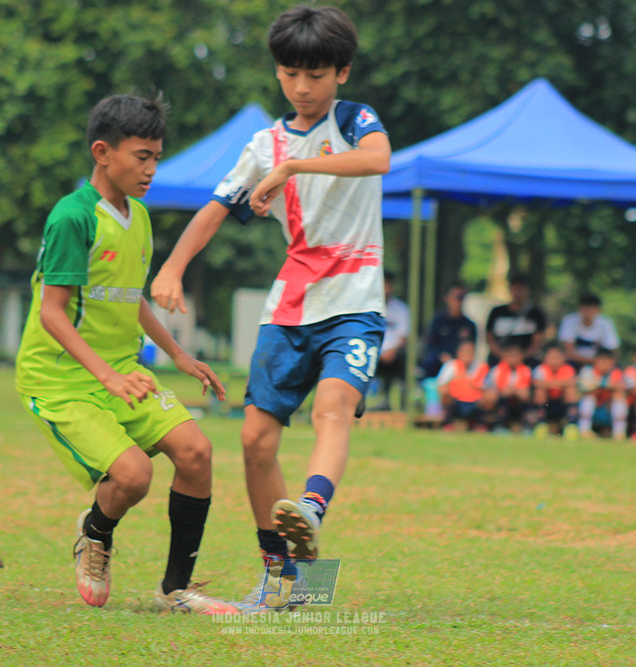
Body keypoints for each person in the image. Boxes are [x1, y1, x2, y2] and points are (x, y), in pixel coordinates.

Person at [150, 6, 391, 610]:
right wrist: (173, 266)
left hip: (355, 301)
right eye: (290, 74)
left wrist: (293, 166)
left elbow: (378, 159)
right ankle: (290, 578)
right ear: (278, 73)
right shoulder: (262, 145)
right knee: (256, 441)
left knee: (333, 407)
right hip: (290, 305)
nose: (302, 88)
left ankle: (310, 508)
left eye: (315, 75)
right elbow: (214, 208)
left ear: (342, 72)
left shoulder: (357, 120)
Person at [14, 91, 236, 614]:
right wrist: (108, 378)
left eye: (157, 156)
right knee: (134, 475)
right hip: (63, 380)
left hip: (121, 371)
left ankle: (176, 589)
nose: (152, 168)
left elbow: (127, 294)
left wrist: (178, 354)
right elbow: (52, 312)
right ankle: (95, 533)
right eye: (143, 156)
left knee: (197, 453)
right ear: (102, 152)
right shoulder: (73, 218)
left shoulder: (138, 216)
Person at [484, 274, 547, 366]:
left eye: (521, 289)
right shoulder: (497, 312)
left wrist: (521, 357)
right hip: (499, 359)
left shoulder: (535, 314)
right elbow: (489, 338)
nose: (518, 292)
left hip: (526, 360)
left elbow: (537, 341)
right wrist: (504, 356)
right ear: (510, 289)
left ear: (528, 290)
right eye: (515, 288)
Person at [421, 282, 478, 378]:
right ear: (447, 298)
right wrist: (442, 356)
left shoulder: (469, 325)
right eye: (456, 297)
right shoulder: (438, 321)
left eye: (461, 297)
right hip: (438, 363)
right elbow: (430, 344)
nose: (458, 301)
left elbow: (470, 348)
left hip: (461, 364)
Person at [372, 270, 410, 411]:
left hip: (394, 354)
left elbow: (404, 335)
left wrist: (391, 351)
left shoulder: (401, 309)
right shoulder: (368, 308)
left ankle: (402, 403)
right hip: (372, 351)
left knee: (405, 360)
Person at [558, 293, 620, 371]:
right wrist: (588, 361)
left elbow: (612, 350)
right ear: (579, 309)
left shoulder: (606, 323)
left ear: (598, 310)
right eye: (585, 309)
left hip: (600, 363)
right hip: (575, 361)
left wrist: (601, 363)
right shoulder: (569, 321)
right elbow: (569, 352)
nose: (588, 313)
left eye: (591, 309)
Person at [435, 339, 488, 431]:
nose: (467, 354)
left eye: (469, 352)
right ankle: (448, 422)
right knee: (444, 393)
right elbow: (441, 385)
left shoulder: (481, 367)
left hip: (475, 400)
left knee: (490, 397)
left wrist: (471, 385)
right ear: (458, 353)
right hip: (456, 400)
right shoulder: (451, 365)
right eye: (464, 351)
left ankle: (479, 423)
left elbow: (486, 387)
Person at [480, 344, 535, 432]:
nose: (513, 358)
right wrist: (502, 391)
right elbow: (488, 387)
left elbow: (526, 389)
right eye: (510, 356)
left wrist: (513, 390)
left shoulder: (526, 370)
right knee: (489, 396)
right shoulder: (496, 370)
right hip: (501, 397)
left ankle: (527, 425)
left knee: (525, 394)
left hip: (518, 398)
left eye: (516, 356)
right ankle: (490, 424)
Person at [576, 348, 627, 439]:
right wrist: (607, 384)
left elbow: (620, 386)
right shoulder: (587, 370)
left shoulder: (616, 372)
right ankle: (584, 430)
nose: (604, 364)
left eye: (607, 360)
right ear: (595, 361)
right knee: (591, 394)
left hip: (607, 410)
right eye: (602, 360)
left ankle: (619, 433)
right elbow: (586, 386)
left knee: (618, 395)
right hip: (590, 410)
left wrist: (599, 382)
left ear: (612, 362)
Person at [531, 343, 579, 439]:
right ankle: (541, 424)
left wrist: (549, 383)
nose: (554, 361)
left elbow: (572, 383)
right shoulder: (540, 369)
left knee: (571, 391)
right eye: (551, 357)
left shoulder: (568, 369)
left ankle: (571, 425)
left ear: (563, 358)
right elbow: (537, 384)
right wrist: (561, 383)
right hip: (547, 402)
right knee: (540, 391)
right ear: (545, 358)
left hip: (562, 402)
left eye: (557, 357)